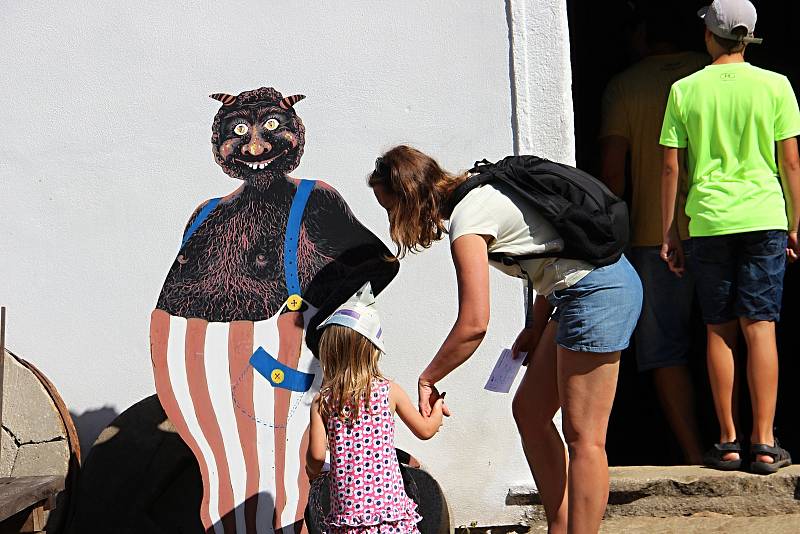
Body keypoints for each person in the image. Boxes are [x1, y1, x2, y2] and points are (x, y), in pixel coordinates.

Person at [368, 146, 642, 534]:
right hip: (572, 295)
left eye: (389, 207)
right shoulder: (479, 192)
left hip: (597, 294)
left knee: (584, 438)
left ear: (409, 197)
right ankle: (560, 526)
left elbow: (474, 324)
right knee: (530, 411)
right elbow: (552, 249)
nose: (391, 219)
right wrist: (535, 324)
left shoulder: (467, 220)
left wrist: (429, 377)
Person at [660, 0, 800, 473]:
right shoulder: (776, 85)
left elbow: (671, 167)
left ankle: (728, 441)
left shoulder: (684, 90)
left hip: (708, 220)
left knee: (718, 328)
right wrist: (795, 223)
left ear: (708, 36)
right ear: (748, 37)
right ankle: (764, 442)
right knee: (760, 326)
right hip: (764, 216)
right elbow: (791, 162)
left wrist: (670, 230)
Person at [600, 4, 708, 464]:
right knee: (737, 333)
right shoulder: (709, 74)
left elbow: (612, 178)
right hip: (722, 225)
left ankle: (695, 455)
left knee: (665, 349)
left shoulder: (625, 86)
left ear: (641, 32)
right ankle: (745, 440)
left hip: (651, 235)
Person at [306, 282, 445, 533]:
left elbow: (317, 456)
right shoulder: (389, 391)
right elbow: (425, 430)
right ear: (373, 351)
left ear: (328, 352)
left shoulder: (323, 401)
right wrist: (437, 409)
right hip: (391, 514)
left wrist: (312, 472)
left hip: (348, 518)